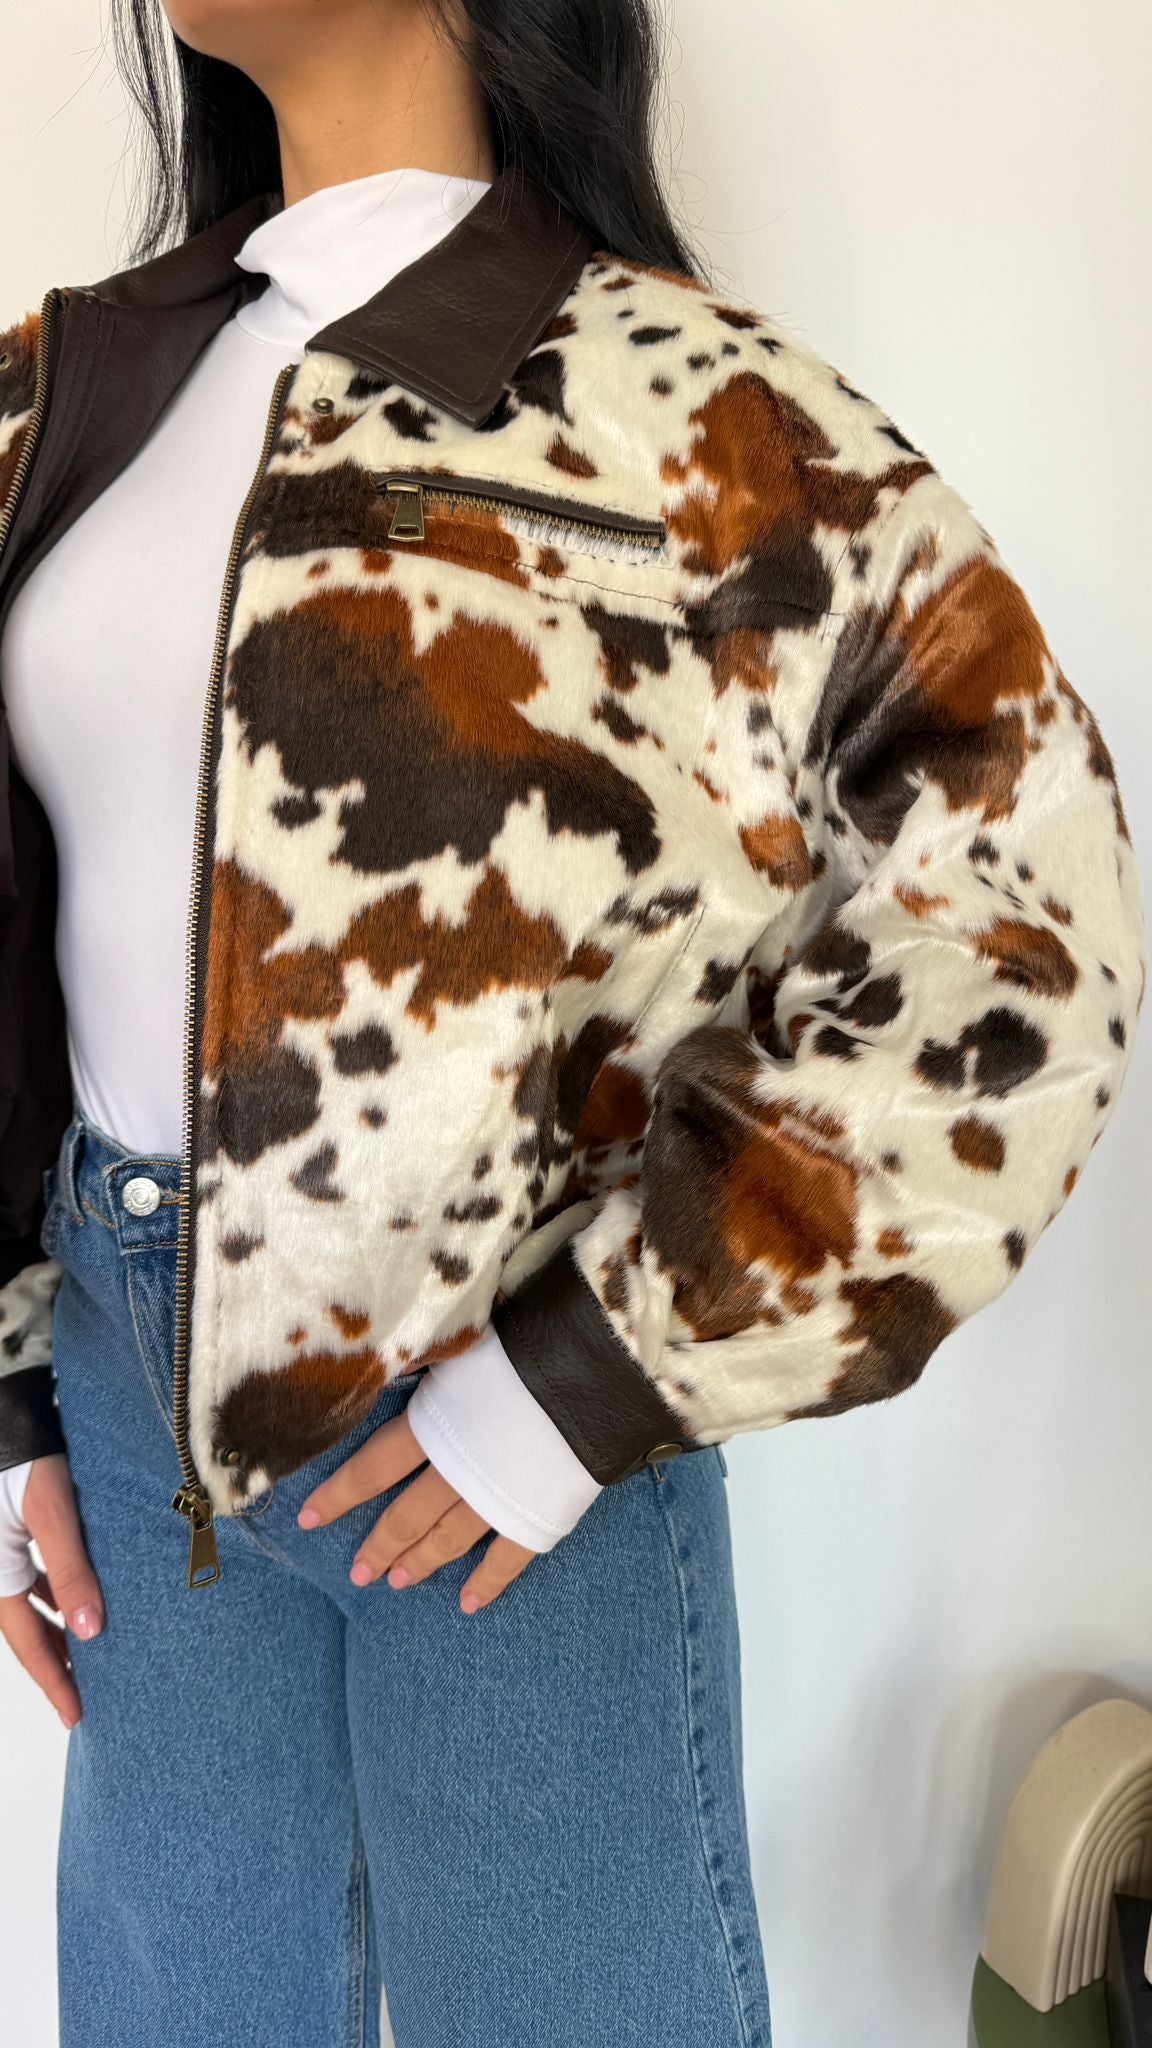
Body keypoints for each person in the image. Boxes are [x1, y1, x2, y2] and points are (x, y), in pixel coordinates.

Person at [0, 1, 1144, 2043]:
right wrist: (10, 1383)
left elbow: (1026, 922)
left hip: (502, 1399)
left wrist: (593, 1379)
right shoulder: (69, 386)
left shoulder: (695, 418)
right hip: (124, 1403)